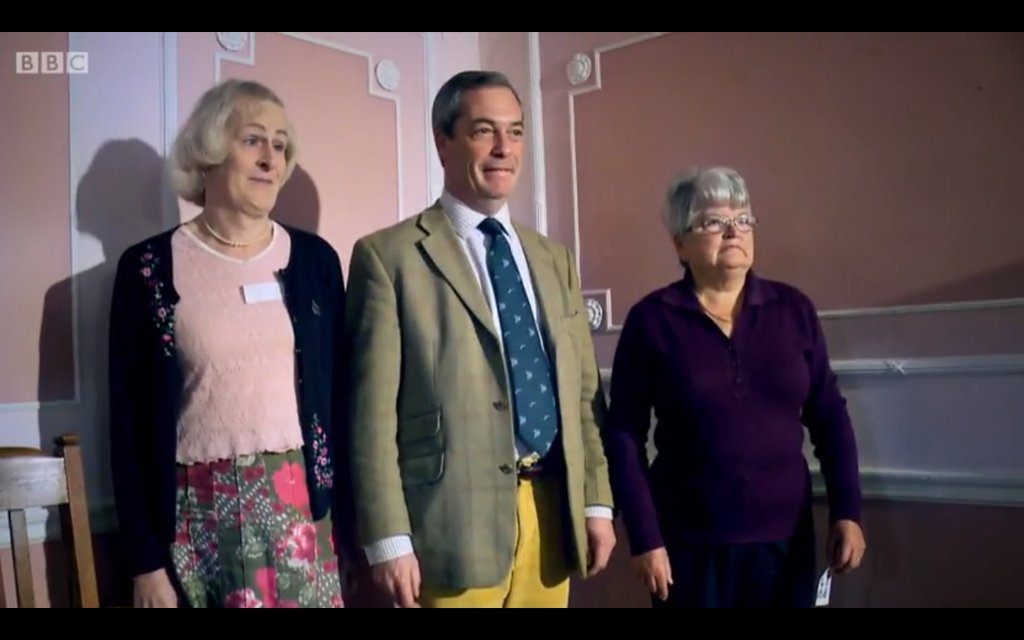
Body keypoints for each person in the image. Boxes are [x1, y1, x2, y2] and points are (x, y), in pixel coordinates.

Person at [343, 70, 616, 608]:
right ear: (443, 141)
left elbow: (584, 395)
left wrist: (596, 504)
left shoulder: (553, 258)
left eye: (515, 132)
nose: (503, 148)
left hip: (552, 517)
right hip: (448, 528)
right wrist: (388, 540)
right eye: (483, 131)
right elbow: (370, 418)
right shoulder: (389, 258)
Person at [108, 78, 350, 608]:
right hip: (193, 521)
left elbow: (343, 402)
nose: (270, 159)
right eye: (253, 140)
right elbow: (127, 423)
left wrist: (352, 530)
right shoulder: (146, 269)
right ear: (211, 149)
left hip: (303, 514)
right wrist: (145, 563)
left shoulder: (316, 262)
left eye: (280, 146)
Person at [603, 166, 866, 608]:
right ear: (680, 243)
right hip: (689, 548)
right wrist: (645, 537)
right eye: (714, 221)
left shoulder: (793, 310)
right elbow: (624, 435)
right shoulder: (652, 320)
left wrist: (848, 510)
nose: (733, 231)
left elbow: (830, 416)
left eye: (743, 219)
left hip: (786, 544)